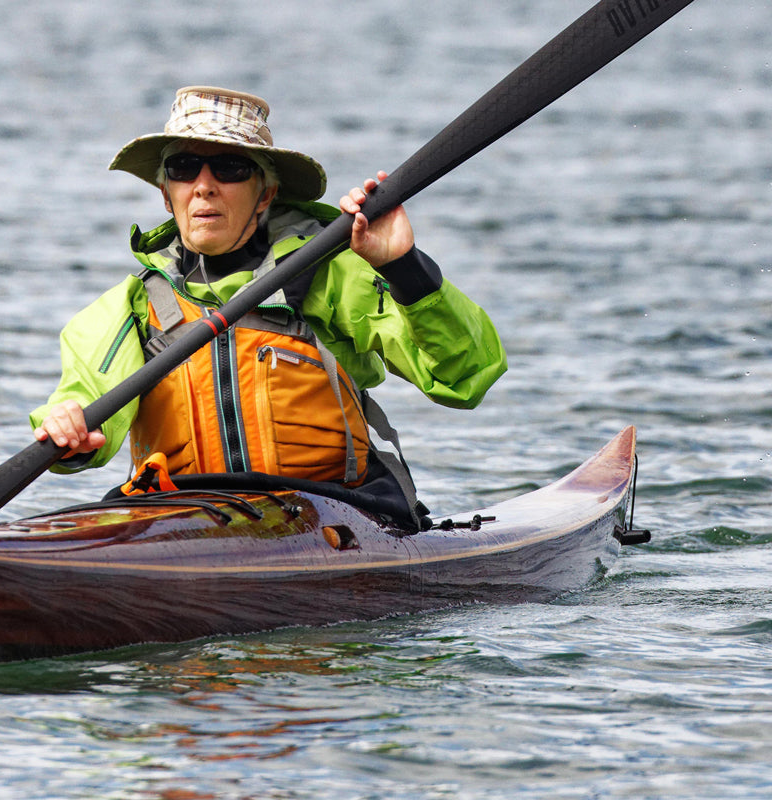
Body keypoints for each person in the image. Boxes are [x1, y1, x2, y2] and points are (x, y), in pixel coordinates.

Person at [30, 86, 506, 526]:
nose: (204, 186)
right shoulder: (127, 309)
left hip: (332, 515)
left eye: (230, 169)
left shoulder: (331, 273)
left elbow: (464, 377)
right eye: (184, 168)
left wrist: (403, 266)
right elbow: (84, 403)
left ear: (267, 194)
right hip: (183, 517)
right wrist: (68, 431)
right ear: (165, 193)